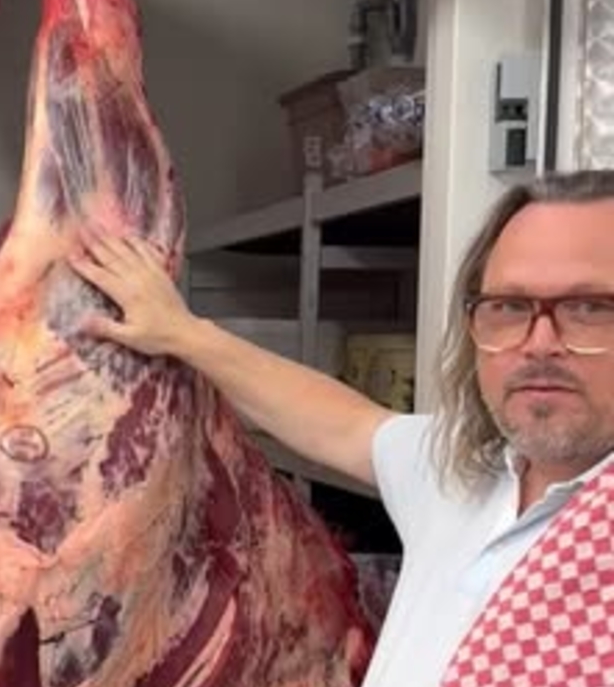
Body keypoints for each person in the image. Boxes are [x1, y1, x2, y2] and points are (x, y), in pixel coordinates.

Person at [67, 170, 614, 687]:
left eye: (591, 308)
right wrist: (182, 333)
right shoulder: (464, 471)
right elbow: (345, 425)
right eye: (510, 306)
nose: (539, 343)